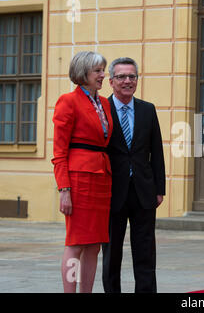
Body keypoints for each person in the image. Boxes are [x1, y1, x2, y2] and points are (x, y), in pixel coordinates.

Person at [102, 57, 165, 293]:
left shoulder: (148, 109)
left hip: (144, 191)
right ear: (111, 81)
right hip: (112, 192)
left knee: (145, 251)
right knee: (111, 254)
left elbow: (156, 151)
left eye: (132, 76)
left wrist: (160, 189)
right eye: (121, 77)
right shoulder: (102, 109)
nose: (127, 81)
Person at [52, 51, 113, 293]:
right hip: (78, 181)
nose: (102, 75)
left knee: (94, 245)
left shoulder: (105, 103)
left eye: (102, 70)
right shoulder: (68, 101)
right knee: (76, 243)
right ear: (83, 73)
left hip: (101, 180)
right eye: (97, 71)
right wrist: (64, 189)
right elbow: (59, 151)